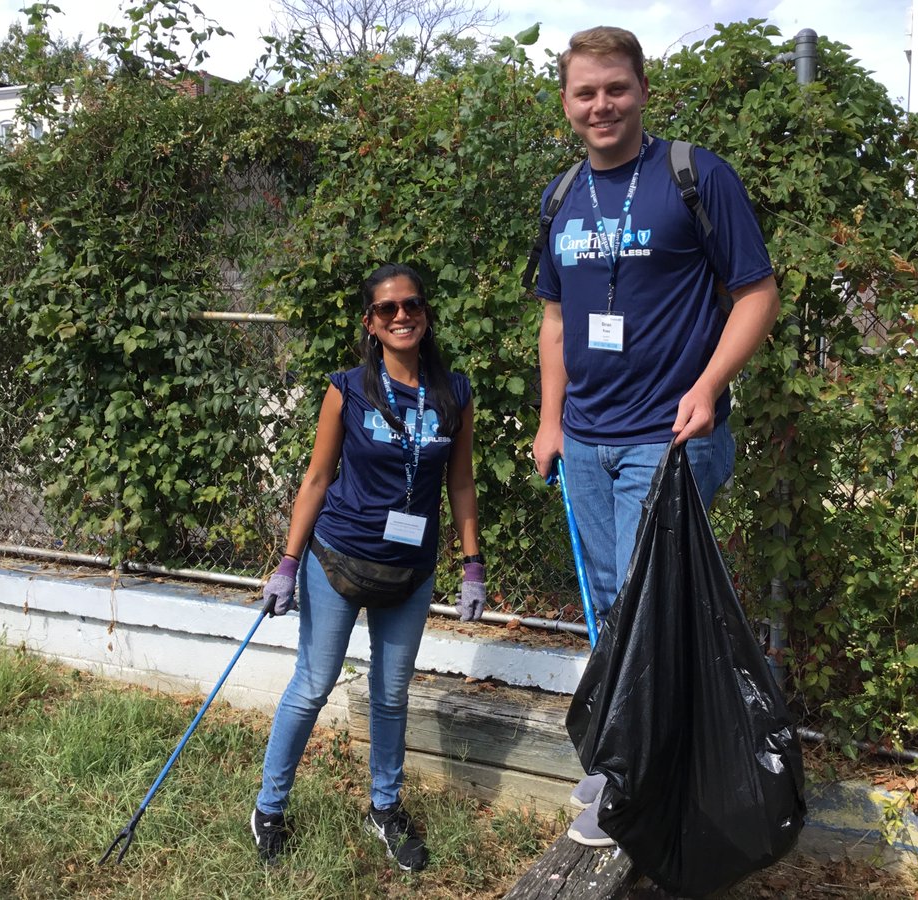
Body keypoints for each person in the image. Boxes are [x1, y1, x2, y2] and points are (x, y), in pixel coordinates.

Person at [530, 26, 781, 847]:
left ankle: (645, 779)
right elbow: (559, 320)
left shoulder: (694, 176)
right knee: (610, 604)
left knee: (653, 605)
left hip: (669, 435)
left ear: (642, 90)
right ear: (566, 102)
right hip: (588, 440)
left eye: (615, 88)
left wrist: (708, 388)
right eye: (585, 92)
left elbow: (756, 295)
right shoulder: (562, 195)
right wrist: (549, 420)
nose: (601, 105)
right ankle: (621, 756)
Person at [251, 263, 485, 872]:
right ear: (371, 324)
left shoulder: (455, 393)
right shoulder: (348, 389)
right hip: (337, 560)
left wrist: (472, 564)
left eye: (411, 305)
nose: (401, 315)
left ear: (426, 315)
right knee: (313, 684)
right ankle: (269, 808)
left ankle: (385, 808)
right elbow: (317, 477)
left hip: (411, 571)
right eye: (387, 310)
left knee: (390, 693)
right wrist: (286, 562)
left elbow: (460, 482)